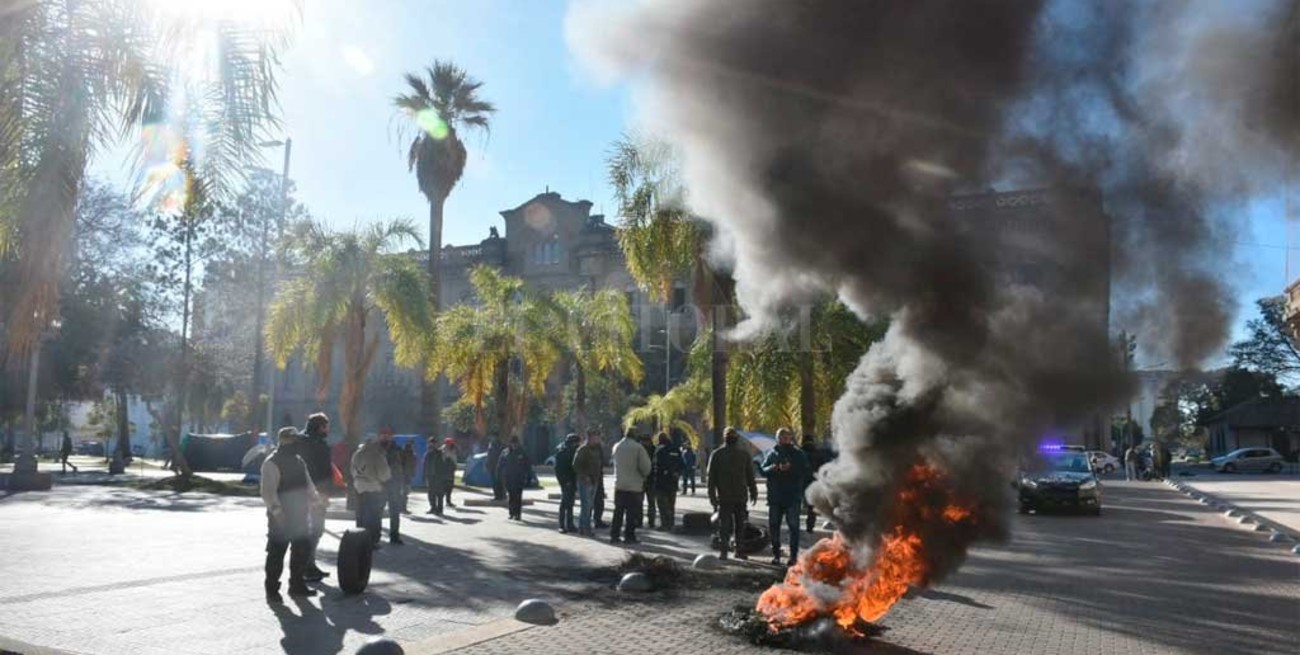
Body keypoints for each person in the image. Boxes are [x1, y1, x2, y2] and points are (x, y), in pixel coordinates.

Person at [260, 427, 322, 602]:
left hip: (300, 514)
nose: (297, 443)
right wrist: (277, 513)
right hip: (281, 515)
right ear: (284, 441)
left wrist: (316, 501)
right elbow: (268, 492)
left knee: (301, 550)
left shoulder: (299, 461)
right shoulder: (271, 463)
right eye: (294, 440)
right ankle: (272, 590)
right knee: (276, 553)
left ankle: (297, 585)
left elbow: (308, 484)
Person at [762, 428, 811, 567]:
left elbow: (805, 470)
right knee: (774, 526)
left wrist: (791, 468)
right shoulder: (772, 453)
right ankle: (776, 555)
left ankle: (793, 557)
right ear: (777, 439)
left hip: (792, 497)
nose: (783, 439)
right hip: (775, 497)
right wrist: (773, 468)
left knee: (794, 527)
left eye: (786, 437)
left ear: (790, 438)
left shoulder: (798, 454)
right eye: (781, 437)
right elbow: (763, 469)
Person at [708, 427, 758, 561]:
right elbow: (711, 478)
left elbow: (749, 476)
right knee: (726, 526)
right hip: (726, 497)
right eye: (729, 436)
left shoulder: (742, 455)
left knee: (737, 526)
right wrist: (712, 496)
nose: (731, 438)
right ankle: (726, 551)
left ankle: (736, 550)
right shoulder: (717, 454)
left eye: (732, 436)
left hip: (738, 496)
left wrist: (753, 491)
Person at [299, 413, 333, 581]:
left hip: (299, 493)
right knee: (316, 530)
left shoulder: (299, 441)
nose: (328, 430)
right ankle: (307, 566)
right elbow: (323, 472)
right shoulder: (318, 445)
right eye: (326, 426)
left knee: (308, 531)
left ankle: (308, 565)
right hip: (316, 494)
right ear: (320, 427)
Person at [610, 427, 652, 544]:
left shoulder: (616, 446)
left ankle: (614, 535)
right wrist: (643, 476)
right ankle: (629, 536)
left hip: (619, 484)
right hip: (634, 486)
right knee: (631, 513)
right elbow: (646, 467)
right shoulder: (638, 448)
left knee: (618, 512)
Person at [351, 431, 392, 548]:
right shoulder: (377, 454)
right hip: (373, 488)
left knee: (360, 515)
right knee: (374, 516)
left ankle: (359, 539)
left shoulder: (357, 453)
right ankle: (372, 541)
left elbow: (352, 471)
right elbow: (384, 474)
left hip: (359, 487)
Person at [574, 430, 604, 536]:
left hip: (594, 480)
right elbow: (576, 465)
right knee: (586, 506)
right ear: (590, 437)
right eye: (596, 437)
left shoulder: (597, 449)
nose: (598, 439)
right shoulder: (583, 449)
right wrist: (584, 476)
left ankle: (583, 527)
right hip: (585, 481)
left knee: (589, 506)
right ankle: (585, 528)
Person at [652, 432, 683, 530]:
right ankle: (671, 523)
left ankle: (665, 524)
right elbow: (682, 464)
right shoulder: (676, 449)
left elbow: (656, 465)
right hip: (673, 482)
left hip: (661, 482)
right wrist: (677, 473)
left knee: (662, 505)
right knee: (671, 504)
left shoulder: (659, 450)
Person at [496, 437, 530, 520]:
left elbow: (527, 465)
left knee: (518, 496)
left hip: (519, 478)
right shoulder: (505, 452)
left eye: (516, 443)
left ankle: (517, 514)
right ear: (510, 444)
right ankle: (511, 513)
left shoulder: (522, 452)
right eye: (513, 443)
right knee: (511, 496)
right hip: (508, 478)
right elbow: (500, 465)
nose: (514, 445)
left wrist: (527, 476)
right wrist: (498, 475)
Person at [380, 430, 405, 544]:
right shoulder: (377, 449)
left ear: (391, 437)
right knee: (377, 511)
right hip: (380, 484)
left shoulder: (397, 449)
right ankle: (376, 536)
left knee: (394, 512)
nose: (385, 437)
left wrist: (402, 482)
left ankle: (394, 535)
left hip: (394, 484)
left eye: (387, 435)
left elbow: (402, 466)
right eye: (383, 435)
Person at [801, 435, 829, 533]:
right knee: (811, 507)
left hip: (800, 481)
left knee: (796, 504)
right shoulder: (819, 453)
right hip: (814, 482)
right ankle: (810, 526)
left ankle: (796, 527)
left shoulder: (799, 452)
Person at [554, 433, 580, 533]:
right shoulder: (563, 451)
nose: (577, 445)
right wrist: (565, 481)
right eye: (576, 443)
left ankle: (570, 524)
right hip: (566, 480)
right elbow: (559, 469)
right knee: (564, 503)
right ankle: (561, 525)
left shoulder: (570, 450)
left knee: (570, 503)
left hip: (571, 480)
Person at [639, 434, 658, 529]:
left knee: (641, 501)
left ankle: (641, 521)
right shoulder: (654, 449)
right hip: (650, 479)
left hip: (643, 479)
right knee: (650, 502)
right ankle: (651, 521)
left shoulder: (639, 450)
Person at [399, 442, 418, 513]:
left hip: (404, 475)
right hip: (405, 475)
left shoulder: (407, 454)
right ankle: (403, 507)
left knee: (403, 492)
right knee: (404, 492)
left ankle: (402, 507)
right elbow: (412, 465)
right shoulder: (410, 454)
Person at [486, 436, 505, 501]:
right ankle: (498, 495)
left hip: (498, 466)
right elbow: (489, 456)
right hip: (493, 466)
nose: (492, 439)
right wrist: (487, 464)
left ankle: (501, 495)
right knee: (495, 482)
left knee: (499, 482)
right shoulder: (491, 446)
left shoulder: (500, 446)